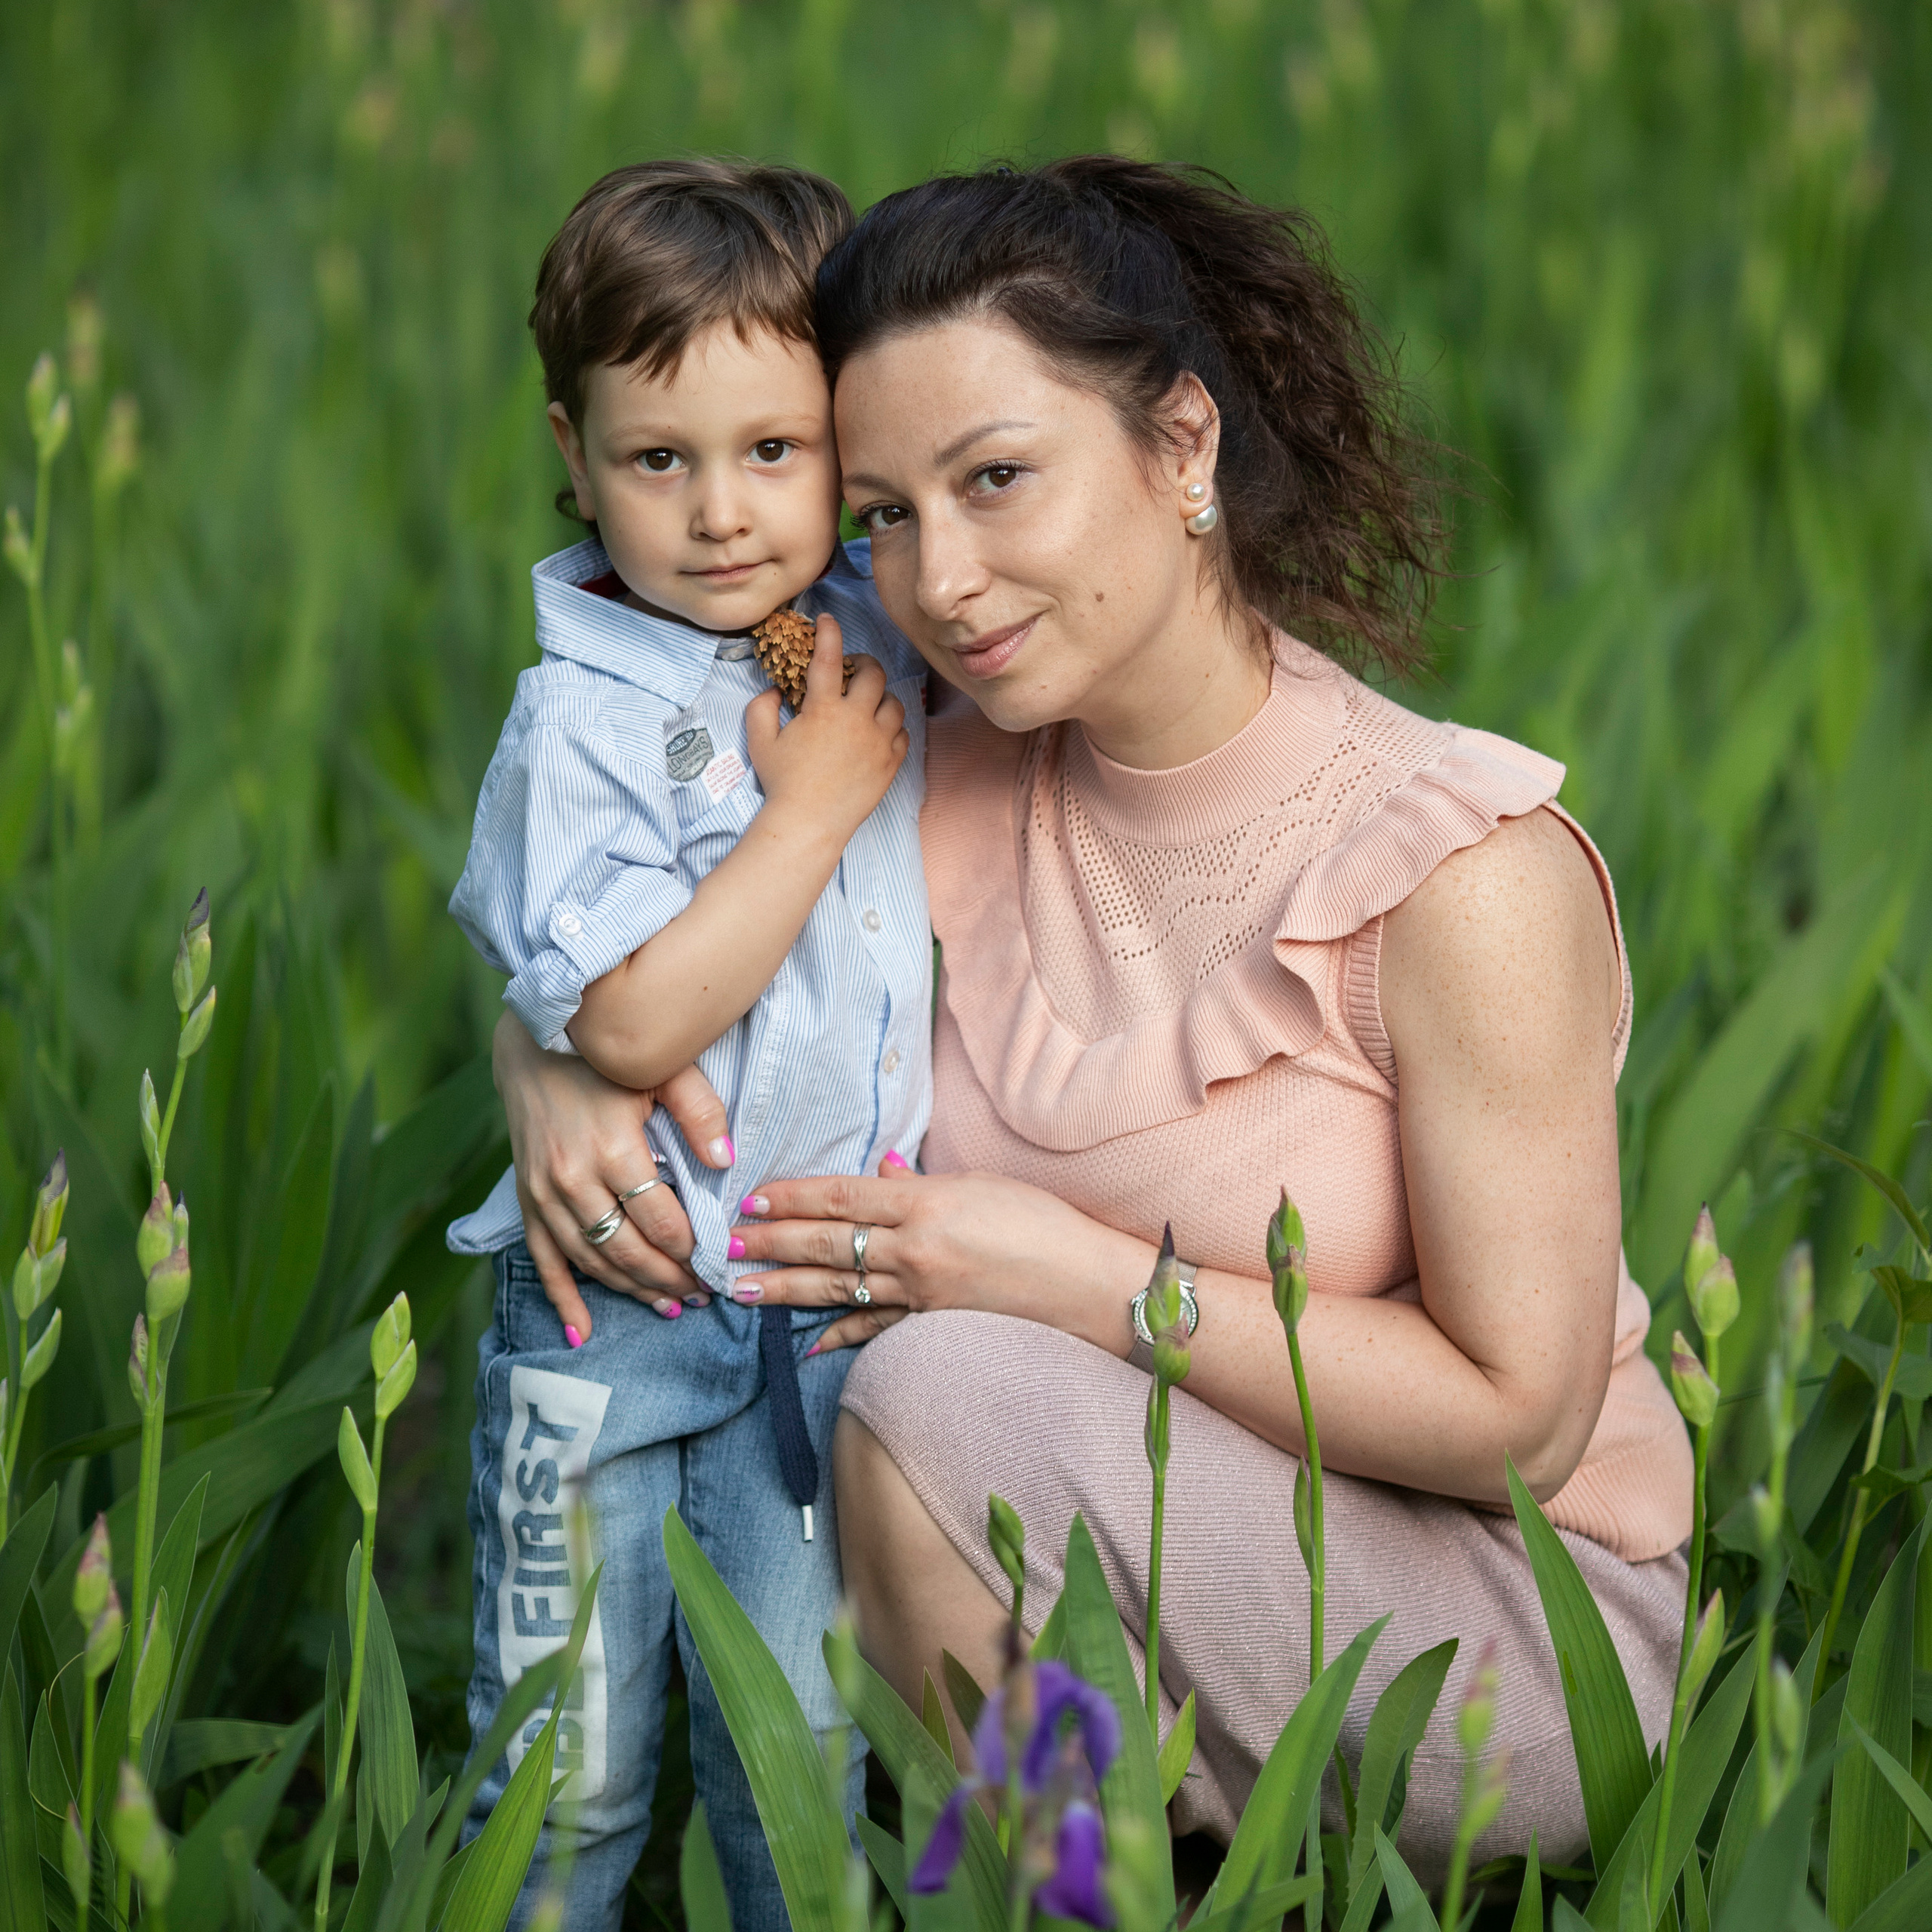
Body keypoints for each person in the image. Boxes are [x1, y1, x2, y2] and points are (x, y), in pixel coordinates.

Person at [494, 155, 1694, 1879]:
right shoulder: (910, 758)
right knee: (893, 1373)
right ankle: (1110, 1880)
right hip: (1118, 1509)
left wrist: (1070, 1273)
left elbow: (1524, 1418)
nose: (940, 578)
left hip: (1496, 1612)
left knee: (926, 1380)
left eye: (997, 480)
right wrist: (545, 1059)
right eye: (884, 511)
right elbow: (637, 902)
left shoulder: (1457, 875)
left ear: (1180, 445)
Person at [446, 159, 931, 1931]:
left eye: (773, 449)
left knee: (795, 1745)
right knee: (563, 1756)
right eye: (658, 458)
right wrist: (803, 813)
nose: (722, 512)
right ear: (572, 455)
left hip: (816, 1303)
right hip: (616, 1301)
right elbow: (630, 1016)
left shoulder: (882, 632)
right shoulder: (575, 718)